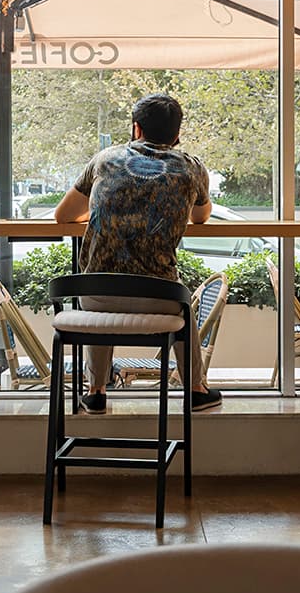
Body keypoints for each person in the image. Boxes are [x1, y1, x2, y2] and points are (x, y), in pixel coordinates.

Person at [53, 93, 222, 413]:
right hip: (159, 298)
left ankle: (97, 391)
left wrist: (106, 212)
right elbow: (200, 217)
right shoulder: (191, 168)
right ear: (176, 135)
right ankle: (196, 389)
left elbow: (63, 216)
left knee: (101, 290)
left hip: (95, 297)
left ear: (136, 129)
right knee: (183, 305)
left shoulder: (104, 160)